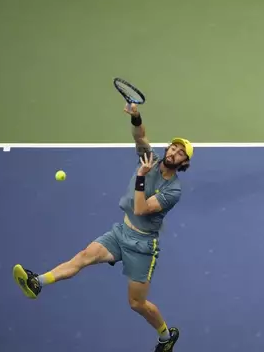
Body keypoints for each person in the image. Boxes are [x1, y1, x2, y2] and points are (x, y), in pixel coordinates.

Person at [12, 103, 193, 352]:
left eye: (180, 153)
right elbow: (140, 137)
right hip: (121, 233)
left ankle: (165, 335)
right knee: (84, 256)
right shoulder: (149, 158)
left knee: (136, 304)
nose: (174, 153)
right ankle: (38, 282)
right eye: (173, 147)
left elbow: (140, 209)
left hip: (142, 246)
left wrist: (141, 176)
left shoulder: (173, 190)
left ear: (184, 162)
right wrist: (137, 116)